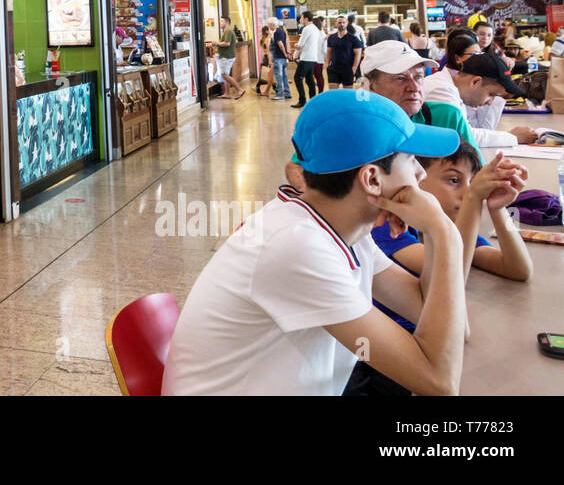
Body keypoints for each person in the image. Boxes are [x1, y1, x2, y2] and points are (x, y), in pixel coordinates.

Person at [162, 89, 466, 396]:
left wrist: (437, 233)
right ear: (372, 179)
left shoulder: (342, 228)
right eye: (411, 158)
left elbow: (433, 313)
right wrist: (445, 233)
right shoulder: (298, 247)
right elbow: (438, 381)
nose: (421, 172)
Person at [344, 141, 530, 395]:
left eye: (471, 182)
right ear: (418, 179)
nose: (465, 192)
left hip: (426, 342)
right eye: (454, 181)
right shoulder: (385, 227)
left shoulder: (452, 224)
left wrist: (498, 211)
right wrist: (474, 200)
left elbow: (518, 269)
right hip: (383, 359)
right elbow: (455, 270)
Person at [423, 51, 535, 148]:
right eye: (491, 94)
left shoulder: (452, 89)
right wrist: (513, 137)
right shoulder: (442, 91)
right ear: (475, 82)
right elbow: (464, 137)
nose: (490, 102)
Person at [291, 11, 322, 108]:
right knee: (309, 80)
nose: (300, 19)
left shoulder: (307, 29)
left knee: (297, 78)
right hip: (312, 58)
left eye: (301, 17)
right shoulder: (315, 29)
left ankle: (302, 100)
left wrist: (295, 47)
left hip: (306, 58)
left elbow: (300, 45)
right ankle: (313, 100)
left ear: (306, 19)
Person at [324, 15, 364, 89]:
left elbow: (358, 54)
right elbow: (329, 52)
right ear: (336, 24)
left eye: (343, 22)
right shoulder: (331, 38)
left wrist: (354, 68)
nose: (341, 24)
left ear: (347, 23)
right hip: (334, 69)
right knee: (333, 93)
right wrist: (327, 64)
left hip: (348, 69)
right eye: (339, 22)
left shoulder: (353, 39)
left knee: (347, 94)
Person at [214, 15, 243, 99]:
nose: (220, 23)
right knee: (226, 74)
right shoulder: (227, 31)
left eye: (222, 21)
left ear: (227, 22)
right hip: (228, 55)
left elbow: (227, 43)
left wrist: (216, 43)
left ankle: (239, 89)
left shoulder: (228, 31)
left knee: (224, 75)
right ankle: (227, 93)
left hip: (226, 56)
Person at [268, 17, 291, 101]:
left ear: (272, 25)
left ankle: (280, 94)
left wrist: (285, 53)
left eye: (269, 25)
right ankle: (287, 93)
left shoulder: (276, 33)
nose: (268, 27)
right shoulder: (282, 32)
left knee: (278, 76)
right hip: (283, 58)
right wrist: (287, 54)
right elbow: (286, 43)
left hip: (278, 57)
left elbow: (280, 44)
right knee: (284, 76)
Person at [312, 16, 326, 93]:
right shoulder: (321, 32)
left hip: (316, 57)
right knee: (318, 75)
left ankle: (320, 92)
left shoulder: (318, 33)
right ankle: (320, 92)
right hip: (319, 57)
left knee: (318, 76)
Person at [257, 25, 273, 97]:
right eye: (269, 29)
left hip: (265, 57)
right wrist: (270, 60)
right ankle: (260, 87)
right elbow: (268, 51)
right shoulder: (268, 39)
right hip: (268, 57)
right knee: (267, 74)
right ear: (267, 31)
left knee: (265, 74)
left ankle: (259, 87)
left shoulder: (263, 39)